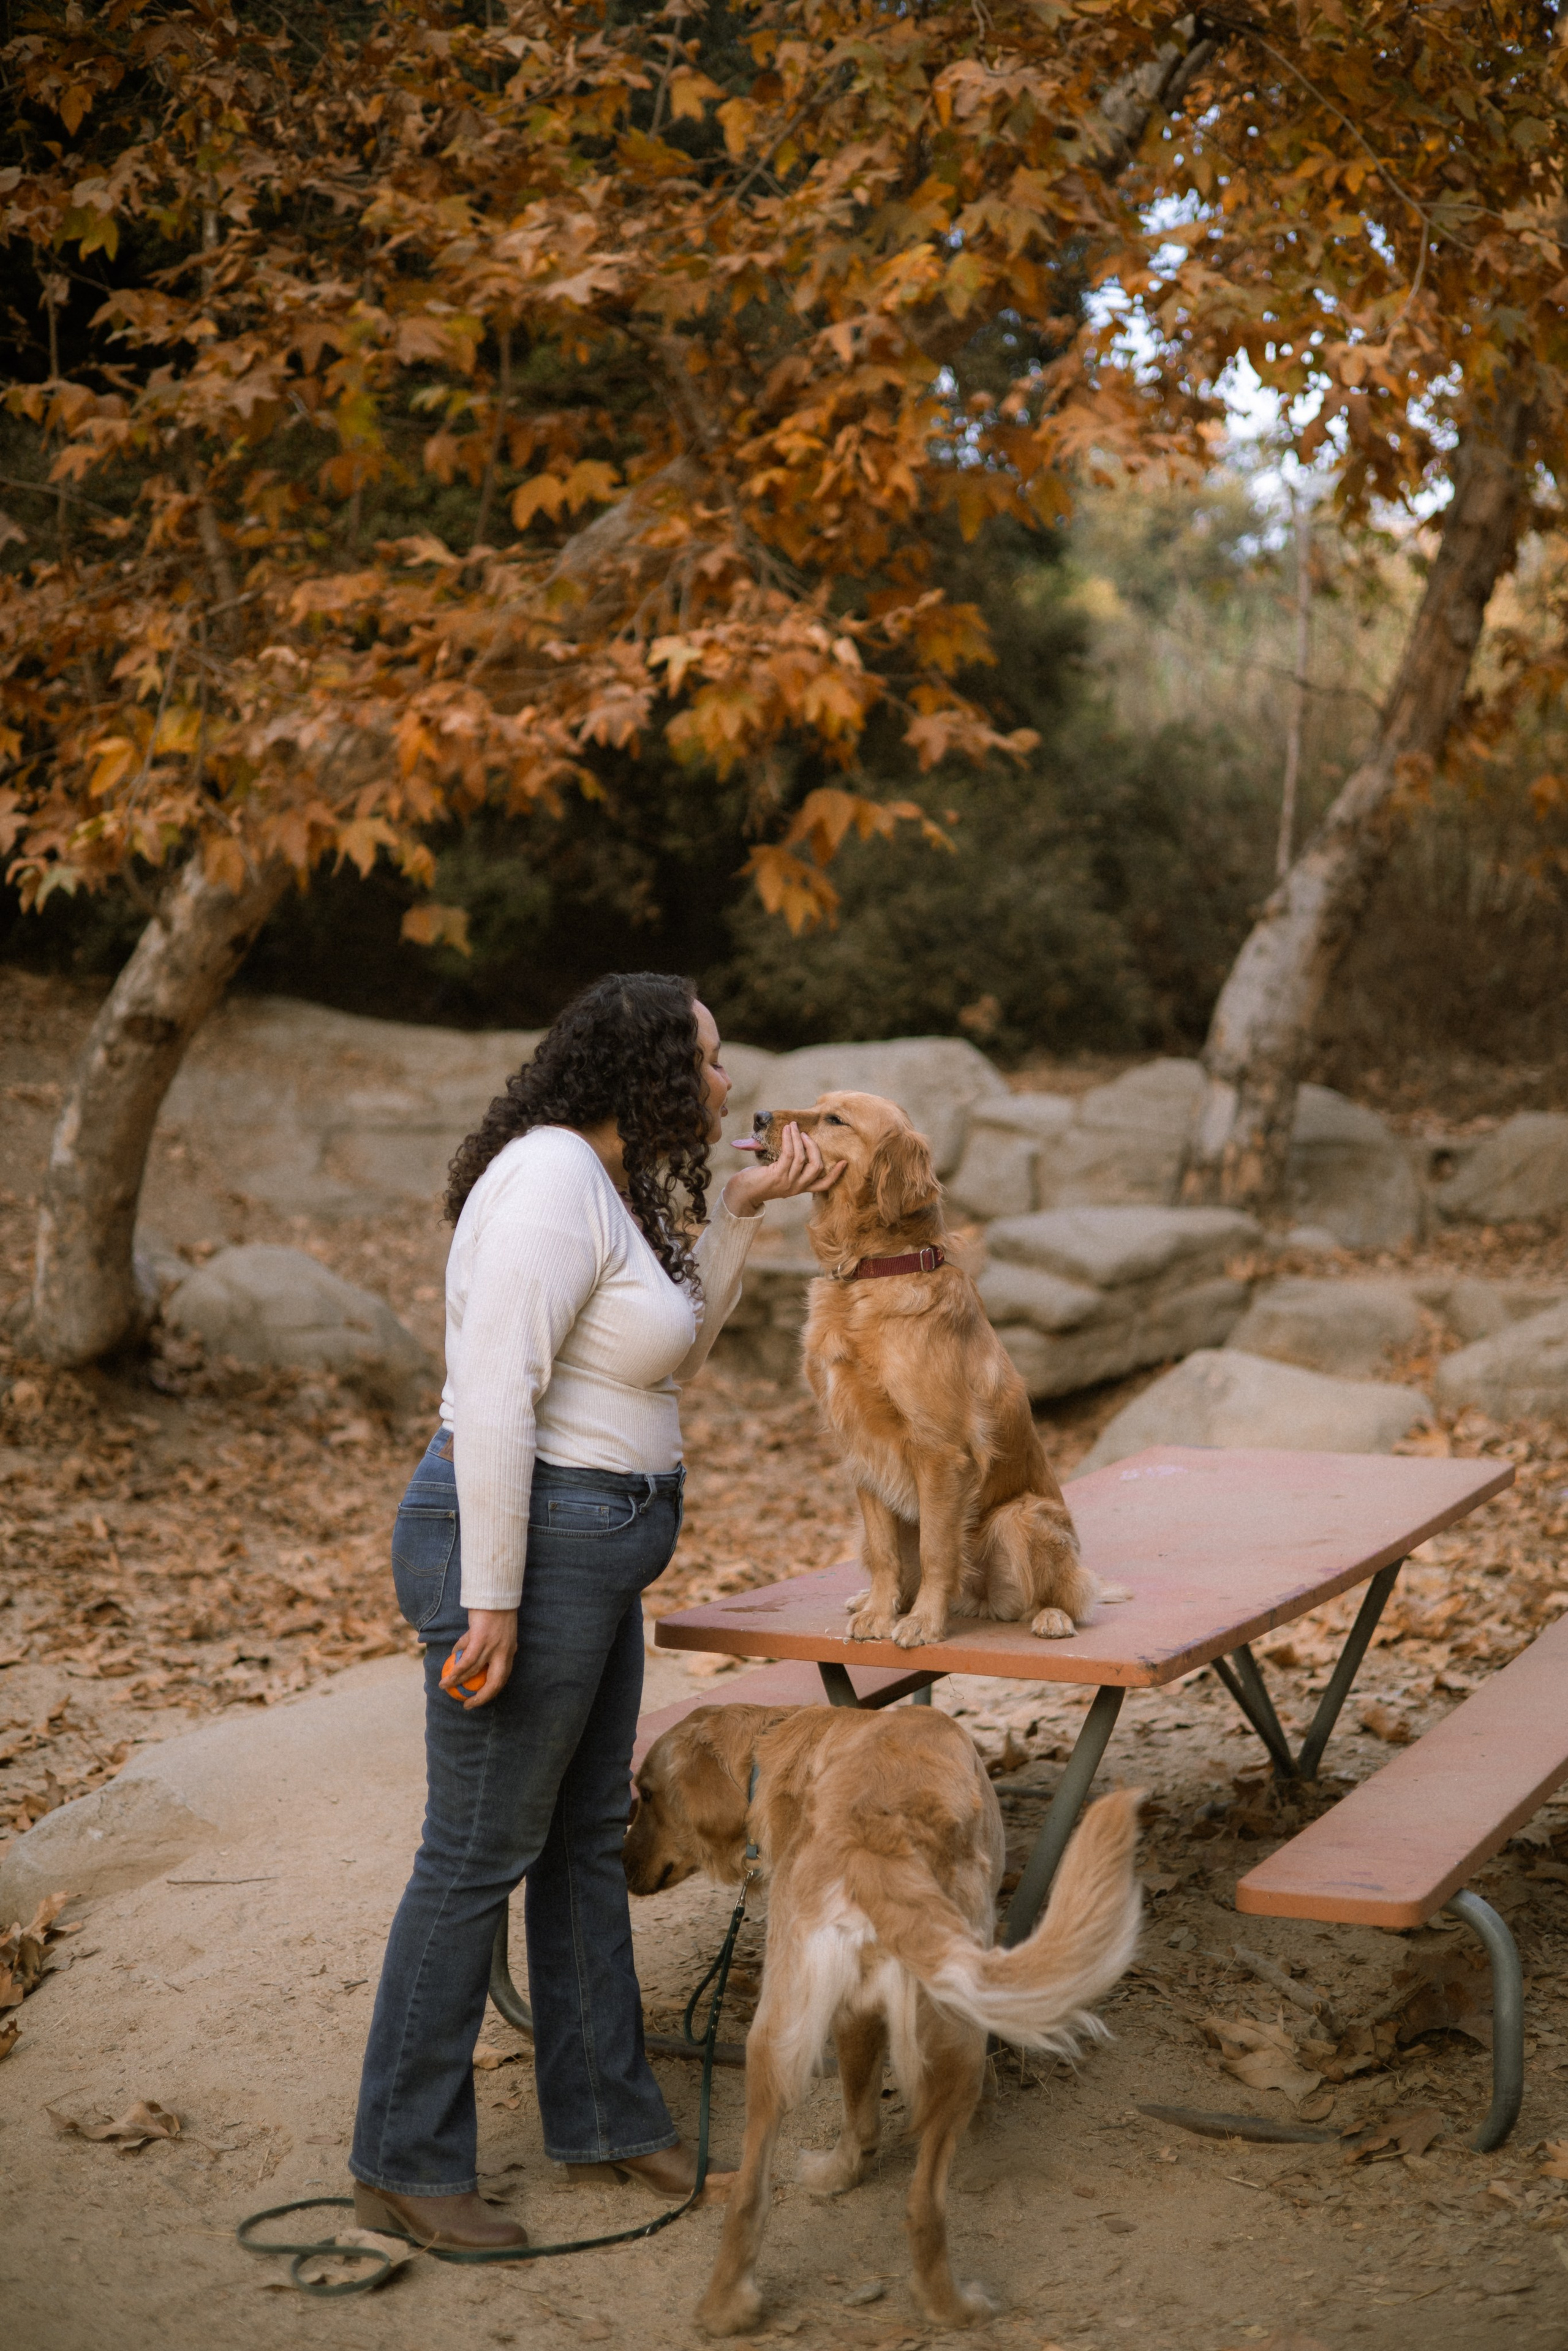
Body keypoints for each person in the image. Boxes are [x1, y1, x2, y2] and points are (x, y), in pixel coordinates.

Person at [348, 972, 835, 2250]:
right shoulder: (549, 1177)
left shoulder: (609, 1187)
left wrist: (734, 1213)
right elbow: (494, 1391)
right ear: (650, 1071)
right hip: (523, 1551)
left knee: (578, 1841)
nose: (727, 1085)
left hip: (592, 1557)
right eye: (711, 1062)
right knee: (474, 1853)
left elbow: (673, 1351)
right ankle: (404, 2157)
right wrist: (491, 1600)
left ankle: (608, 2117)